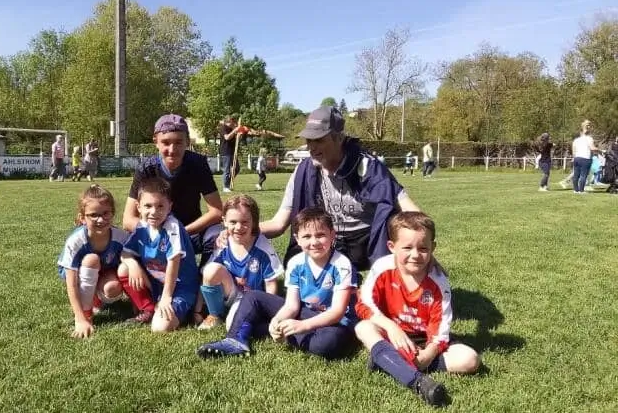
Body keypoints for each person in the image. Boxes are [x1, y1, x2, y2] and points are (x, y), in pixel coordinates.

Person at [257, 106, 422, 274]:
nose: (312, 147)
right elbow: (278, 224)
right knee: (300, 272)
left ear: (340, 138)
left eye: (319, 140)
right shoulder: (303, 171)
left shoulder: (369, 167)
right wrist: (244, 229)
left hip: (368, 241)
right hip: (326, 240)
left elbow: (413, 212)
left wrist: (423, 248)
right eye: (309, 140)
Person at [197, 207, 358, 360]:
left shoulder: (341, 264)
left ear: (332, 235)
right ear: (297, 239)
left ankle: (282, 332)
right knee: (252, 296)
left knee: (330, 342)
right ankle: (235, 340)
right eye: (307, 236)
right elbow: (292, 305)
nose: (314, 242)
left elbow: (337, 312)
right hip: (304, 313)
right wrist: (277, 320)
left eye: (320, 235)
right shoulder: (296, 262)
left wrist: (302, 326)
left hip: (334, 323)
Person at [354, 211, 480, 407]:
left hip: (424, 339)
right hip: (392, 335)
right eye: (407, 247)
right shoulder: (382, 268)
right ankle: (416, 380)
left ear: (433, 248)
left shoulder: (438, 281)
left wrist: (429, 353)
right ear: (392, 247)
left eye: (423, 248)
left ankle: (386, 361)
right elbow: (364, 303)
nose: (415, 255)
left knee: (469, 360)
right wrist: (391, 327)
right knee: (363, 328)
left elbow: (441, 329)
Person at [123, 114, 223, 267]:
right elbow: (128, 220)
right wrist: (158, 232)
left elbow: (216, 211)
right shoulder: (146, 169)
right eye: (166, 142)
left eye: (178, 142)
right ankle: (151, 274)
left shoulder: (198, 164)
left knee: (217, 233)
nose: (172, 149)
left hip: (190, 233)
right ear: (156, 142)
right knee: (128, 243)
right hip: (155, 232)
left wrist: (180, 232)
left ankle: (205, 276)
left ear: (187, 142)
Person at [118, 177, 200, 332]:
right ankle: (148, 308)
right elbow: (125, 253)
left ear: (170, 207)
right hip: (156, 285)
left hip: (179, 287)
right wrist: (133, 264)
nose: (154, 212)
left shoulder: (172, 227)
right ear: (138, 207)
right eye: (148, 206)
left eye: (160, 206)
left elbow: (174, 263)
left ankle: (186, 308)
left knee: (160, 328)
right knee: (124, 268)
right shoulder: (142, 227)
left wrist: (167, 297)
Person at [197, 194, 283, 330]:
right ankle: (215, 314)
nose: (238, 227)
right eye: (233, 222)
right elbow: (207, 277)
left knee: (233, 325)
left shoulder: (263, 247)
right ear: (224, 221)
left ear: (254, 222)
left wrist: (268, 310)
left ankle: (243, 315)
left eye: (244, 222)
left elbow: (271, 283)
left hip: (252, 299)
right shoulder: (223, 243)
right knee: (210, 269)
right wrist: (197, 310)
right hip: (230, 292)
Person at [57, 184, 129, 338]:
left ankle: (95, 299)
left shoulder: (121, 237)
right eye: (93, 215)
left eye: (105, 213)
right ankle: (86, 312)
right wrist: (80, 318)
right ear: (82, 218)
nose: (100, 219)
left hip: (104, 271)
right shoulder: (76, 241)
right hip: (78, 275)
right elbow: (71, 283)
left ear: (113, 213)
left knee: (113, 288)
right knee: (91, 259)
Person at [571, 120, 599, 194]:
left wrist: (574, 158)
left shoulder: (576, 140)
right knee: (583, 175)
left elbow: (573, 151)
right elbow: (592, 148)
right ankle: (581, 190)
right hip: (586, 158)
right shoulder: (589, 138)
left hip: (577, 158)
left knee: (576, 175)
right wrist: (600, 150)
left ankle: (575, 190)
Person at [219, 117, 241, 193]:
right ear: (228, 122)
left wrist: (238, 135)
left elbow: (234, 138)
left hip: (232, 151)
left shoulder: (232, 129)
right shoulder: (223, 128)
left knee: (237, 168)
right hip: (225, 152)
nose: (233, 124)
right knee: (227, 170)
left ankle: (228, 182)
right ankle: (225, 187)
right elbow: (227, 137)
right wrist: (235, 130)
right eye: (232, 122)